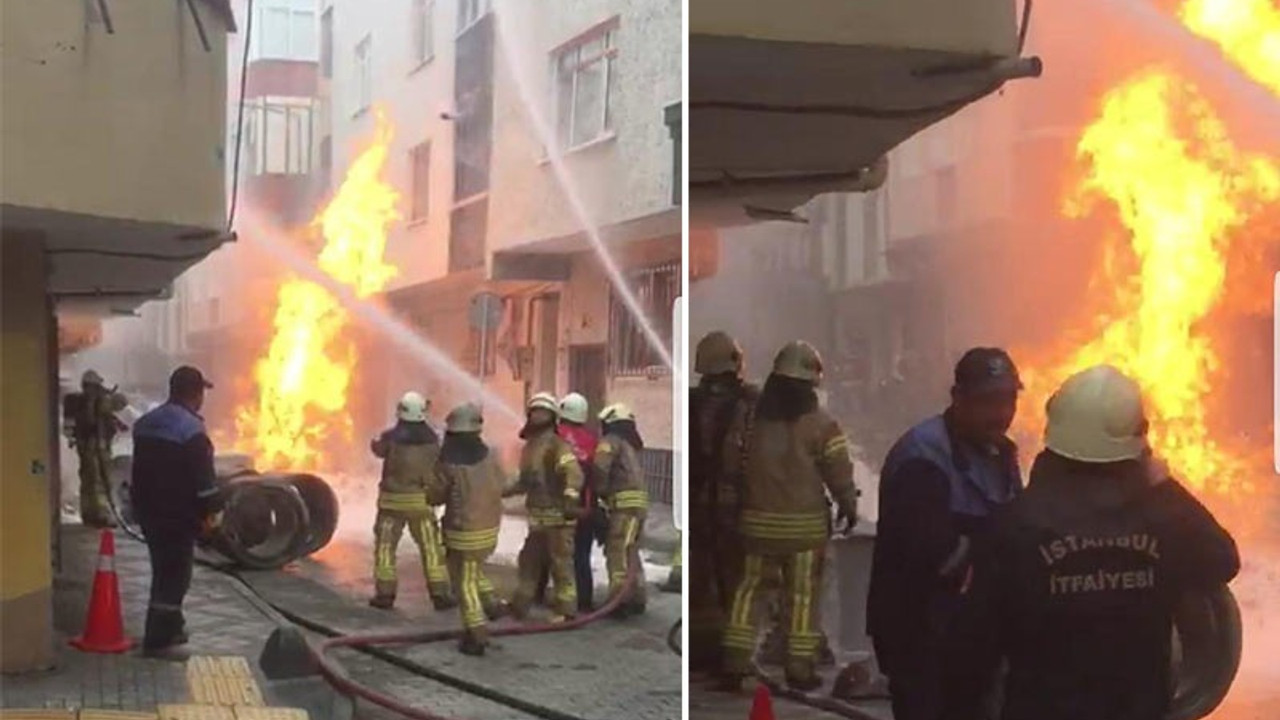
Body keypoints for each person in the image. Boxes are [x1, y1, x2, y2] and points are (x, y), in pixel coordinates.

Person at [958, 365, 1240, 720]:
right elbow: (1223, 560)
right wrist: (1164, 485)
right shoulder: (1164, 517)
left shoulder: (1014, 524)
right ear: (1136, 440)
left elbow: (973, 645)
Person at [866, 347, 1024, 720]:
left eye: (1008, 400)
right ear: (958, 398)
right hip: (921, 635)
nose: (1001, 413)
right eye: (989, 401)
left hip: (975, 638)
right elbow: (931, 556)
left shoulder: (999, 454)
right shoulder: (923, 457)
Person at [720, 340, 859, 692]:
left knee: (749, 592)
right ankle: (799, 668)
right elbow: (839, 473)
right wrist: (848, 505)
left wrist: (728, 509)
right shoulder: (822, 425)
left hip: (756, 527)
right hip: (805, 533)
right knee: (801, 599)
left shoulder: (751, 421)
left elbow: (731, 467)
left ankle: (735, 661)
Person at [130, 366, 222, 659]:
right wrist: (213, 515)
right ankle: (158, 640)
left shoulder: (145, 423)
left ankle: (172, 627)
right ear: (195, 394)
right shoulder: (192, 430)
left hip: (148, 512)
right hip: (178, 516)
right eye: (201, 393)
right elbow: (204, 482)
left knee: (162, 569)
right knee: (176, 575)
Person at [688, 330, 758, 672]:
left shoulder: (691, 403)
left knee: (701, 578)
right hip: (734, 506)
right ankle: (734, 656)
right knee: (738, 580)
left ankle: (701, 648)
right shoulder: (750, 404)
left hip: (699, 505)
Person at [430, 403, 512, 656]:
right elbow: (505, 484)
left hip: (462, 532)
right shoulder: (490, 456)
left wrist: (426, 489)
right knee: (473, 569)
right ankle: (491, 603)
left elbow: (435, 495)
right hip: (489, 530)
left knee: (463, 582)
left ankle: (476, 633)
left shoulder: (449, 462)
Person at [369, 391, 456, 611]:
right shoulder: (432, 440)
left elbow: (378, 451)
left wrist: (374, 442)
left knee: (386, 548)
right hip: (421, 503)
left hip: (392, 503)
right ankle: (440, 594)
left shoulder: (390, 437)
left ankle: (385, 595)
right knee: (431, 548)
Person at [507, 392, 584, 622]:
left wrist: (571, 497)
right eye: (535, 411)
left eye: (543, 412)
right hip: (538, 518)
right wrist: (497, 490)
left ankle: (567, 610)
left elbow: (573, 473)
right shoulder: (529, 447)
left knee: (561, 565)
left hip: (559, 519)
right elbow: (524, 481)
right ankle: (520, 604)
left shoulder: (557, 445)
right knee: (528, 561)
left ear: (552, 416)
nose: (538, 415)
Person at [593, 403, 650, 617]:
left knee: (617, 551)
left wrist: (600, 492)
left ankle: (619, 600)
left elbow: (600, 467)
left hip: (623, 506)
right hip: (639, 506)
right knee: (631, 551)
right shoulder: (630, 446)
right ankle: (637, 596)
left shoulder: (611, 442)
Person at [556, 391, 608, 612]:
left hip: (558, 507)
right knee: (581, 556)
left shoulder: (555, 435)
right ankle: (584, 601)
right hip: (586, 508)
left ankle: (538, 595)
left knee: (546, 553)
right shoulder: (593, 440)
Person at [66, 369, 127, 527]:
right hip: (91, 446)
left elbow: (120, 402)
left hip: (95, 446)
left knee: (94, 480)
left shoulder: (99, 402)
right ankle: (100, 514)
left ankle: (93, 513)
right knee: (96, 480)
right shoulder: (81, 403)